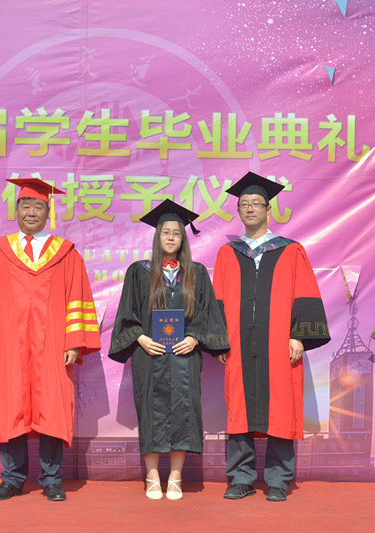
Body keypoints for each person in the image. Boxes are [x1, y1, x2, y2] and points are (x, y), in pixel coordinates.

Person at [0, 178, 101, 502]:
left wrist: (73, 341)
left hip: (52, 344)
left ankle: (52, 480)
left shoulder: (66, 253)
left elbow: (77, 297)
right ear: (15, 211)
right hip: (9, 344)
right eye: (25, 205)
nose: (31, 211)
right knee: (11, 405)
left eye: (38, 206)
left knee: (51, 407)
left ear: (48, 212)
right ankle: (12, 479)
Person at [212, 172, 331, 502]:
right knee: (239, 408)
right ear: (238, 211)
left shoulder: (291, 250)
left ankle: (278, 479)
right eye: (244, 204)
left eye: (256, 203)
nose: (250, 208)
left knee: (281, 405)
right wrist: (219, 340)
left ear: (268, 209)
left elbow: (305, 294)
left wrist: (299, 336)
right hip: (238, 344)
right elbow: (218, 299)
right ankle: (241, 478)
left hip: (279, 343)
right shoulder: (228, 253)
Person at [109, 200, 229, 501]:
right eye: (166, 232)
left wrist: (195, 338)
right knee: (150, 412)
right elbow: (127, 312)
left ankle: (175, 477)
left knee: (183, 413)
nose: (171, 237)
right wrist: (139, 338)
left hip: (184, 356)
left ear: (183, 238)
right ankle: (152, 475)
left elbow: (207, 314)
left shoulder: (196, 273)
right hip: (149, 355)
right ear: (157, 236)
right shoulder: (139, 271)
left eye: (176, 232)